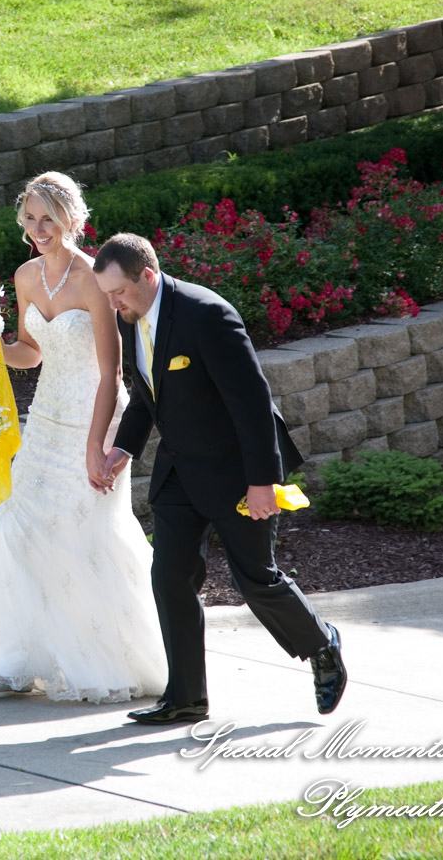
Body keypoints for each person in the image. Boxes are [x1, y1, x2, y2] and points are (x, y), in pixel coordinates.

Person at [91, 233, 347, 725]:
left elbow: (251, 401)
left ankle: (322, 644)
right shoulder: (130, 317)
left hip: (235, 471)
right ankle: (186, 697)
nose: (112, 302)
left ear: (147, 276)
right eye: (106, 294)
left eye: (118, 291)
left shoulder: (207, 314)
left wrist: (263, 481)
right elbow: (148, 395)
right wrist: (122, 448)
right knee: (169, 576)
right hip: (179, 471)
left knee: (255, 579)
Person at [0, 173, 166, 703]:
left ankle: (111, 659)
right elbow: (33, 351)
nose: (38, 228)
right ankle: (17, 659)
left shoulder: (95, 278)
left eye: (48, 217)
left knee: (85, 531)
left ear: (73, 218)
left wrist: (97, 446)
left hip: (95, 413)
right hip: (46, 416)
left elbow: (111, 373)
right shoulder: (26, 277)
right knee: (20, 521)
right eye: (29, 217)